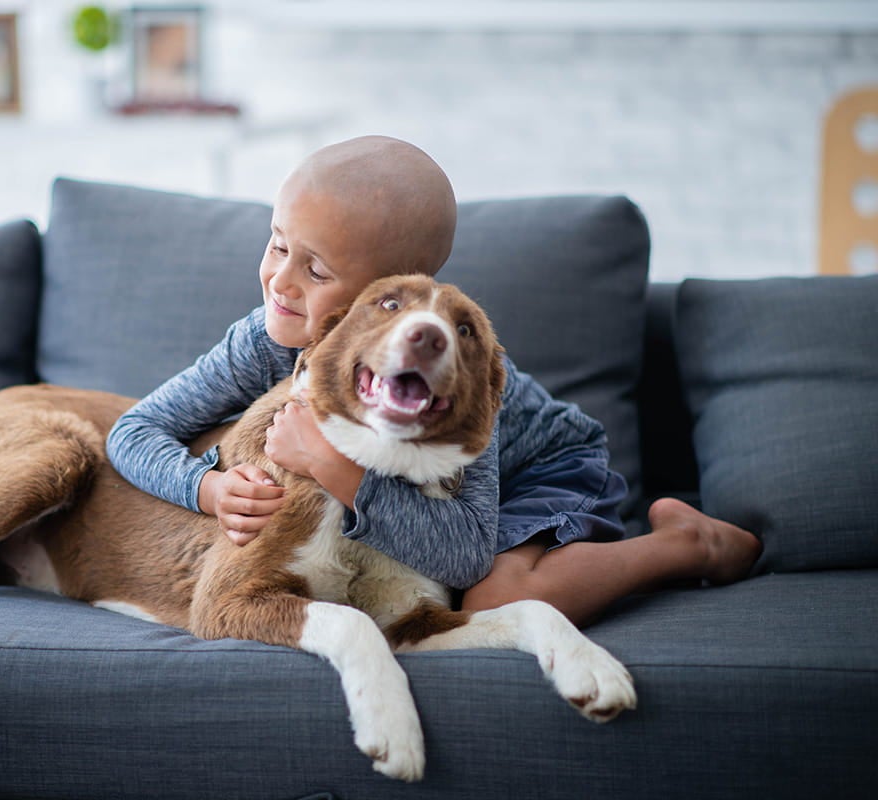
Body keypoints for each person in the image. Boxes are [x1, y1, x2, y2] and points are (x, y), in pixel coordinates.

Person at [106, 135, 760, 627]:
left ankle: (684, 545)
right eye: (279, 246)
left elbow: (465, 553)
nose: (281, 281)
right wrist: (209, 487)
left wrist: (333, 466)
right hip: (412, 490)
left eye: (316, 268)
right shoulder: (263, 338)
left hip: (540, 470)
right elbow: (135, 432)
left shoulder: (465, 399)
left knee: (496, 600)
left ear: (392, 296)